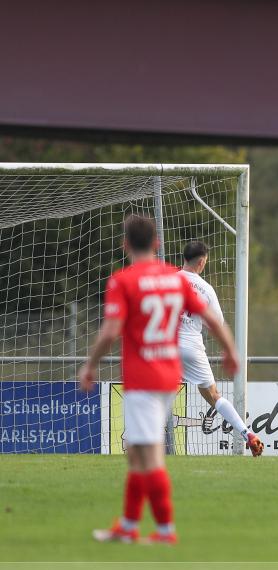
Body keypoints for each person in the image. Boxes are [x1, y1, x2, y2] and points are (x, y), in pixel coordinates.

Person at [79, 215, 238, 545]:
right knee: (137, 454)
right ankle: (128, 525)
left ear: (125, 245)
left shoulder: (123, 280)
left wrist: (90, 365)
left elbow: (110, 331)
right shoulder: (173, 279)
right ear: (157, 244)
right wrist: (230, 351)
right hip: (167, 375)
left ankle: (165, 530)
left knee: (149, 455)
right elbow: (212, 319)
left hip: (142, 378)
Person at [178, 241, 263, 456]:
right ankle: (247, 434)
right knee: (214, 395)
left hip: (165, 346)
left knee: (154, 393)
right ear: (201, 262)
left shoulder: (167, 281)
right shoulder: (205, 289)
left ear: (184, 258)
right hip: (191, 346)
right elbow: (217, 323)